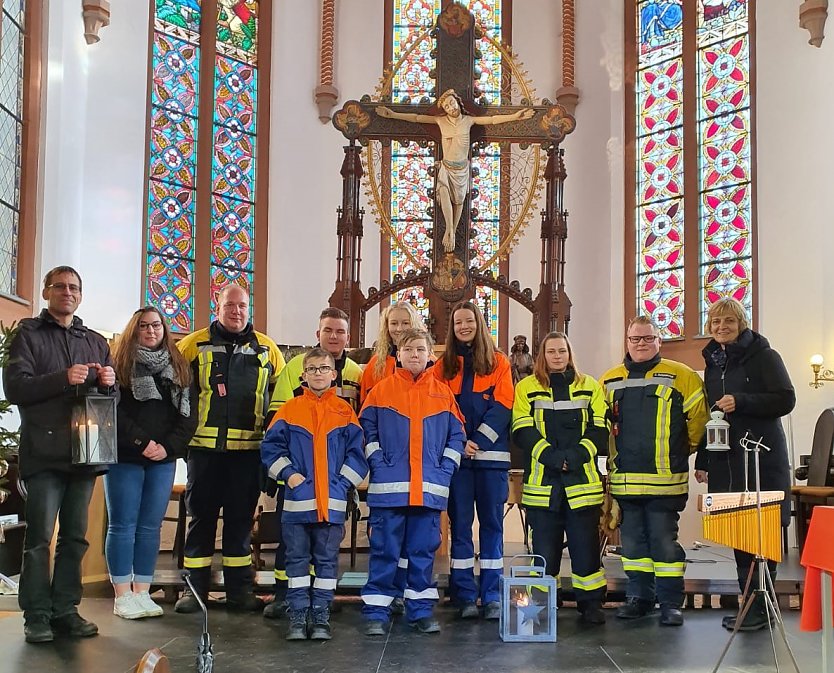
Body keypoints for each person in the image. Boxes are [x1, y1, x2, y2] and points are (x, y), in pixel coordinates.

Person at [4, 266, 117, 643]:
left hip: (85, 452)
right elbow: (15, 387)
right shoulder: (28, 335)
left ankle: (66, 610)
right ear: (45, 292)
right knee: (38, 538)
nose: (67, 292)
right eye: (60, 286)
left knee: (75, 537)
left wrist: (109, 384)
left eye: (74, 288)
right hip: (44, 452)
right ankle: (36, 615)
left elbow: (110, 401)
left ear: (80, 296)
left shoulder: (95, 341)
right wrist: (61, 378)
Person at [174, 284, 285, 614]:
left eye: (242, 306)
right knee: (201, 520)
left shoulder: (267, 348)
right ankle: (194, 592)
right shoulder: (191, 346)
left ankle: (239, 591)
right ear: (217, 307)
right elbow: (177, 397)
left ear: (248, 309)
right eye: (230, 305)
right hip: (204, 451)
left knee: (239, 523)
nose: (236, 311)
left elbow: (279, 401)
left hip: (247, 452)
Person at [599, 316, 708, 627]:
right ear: (627, 342)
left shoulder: (682, 376)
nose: (641, 344)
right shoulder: (608, 380)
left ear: (660, 341)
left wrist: (683, 452)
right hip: (626, 482)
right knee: (632, 546)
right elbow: (599, 427)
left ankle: (671, 602)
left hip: (666, 481)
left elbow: (699, 422)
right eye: (635, 339)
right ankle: (639, 598)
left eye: (648, 338)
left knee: (663, 543)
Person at [694, 298, 795, 632]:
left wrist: (743, 400)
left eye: (729, 322)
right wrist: (705, 457)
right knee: (740, 534)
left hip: (761, 459)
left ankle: (761, 608)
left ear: (742, 323)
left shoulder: (765, 356)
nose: (722, 327)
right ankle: (750, 605)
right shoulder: (713, 361)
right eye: (716, 322)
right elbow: (713, 413)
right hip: (728, 461)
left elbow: (785, 398)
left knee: (761, 534)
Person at [360, 328, 465, 635]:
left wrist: (445, 469)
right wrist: (379, 462)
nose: (415, 355)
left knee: (421, 554)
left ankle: (419, 611)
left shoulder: (442, 393)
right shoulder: (381, 390)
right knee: (384, 552)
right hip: (389, 491)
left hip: (429, 490)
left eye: (420, 349)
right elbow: (367, 431)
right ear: (398, 355)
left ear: (429, 355)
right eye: (409, 350)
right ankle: (377, 613)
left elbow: (457, 436)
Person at [260, 348, 368, 641]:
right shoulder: (289, 410)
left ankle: (320, 614)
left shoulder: (345, 412)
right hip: (297, 505)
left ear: (334, 374)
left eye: (324, 368)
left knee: (326, 562)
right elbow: (270, 449)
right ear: (302, 375)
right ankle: (297, 616)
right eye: (312, 369)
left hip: (332, 505)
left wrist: (342, 483)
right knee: (295, 562)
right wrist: (290, 476)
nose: (318, 373)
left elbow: (358, 455)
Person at [105, 306, 198, 619]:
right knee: (123, 525)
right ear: (135, 330)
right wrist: (143, 444)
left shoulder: (179, 367)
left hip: (163, 458)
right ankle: (122, 594)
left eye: (156, 325)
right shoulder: (119, 365)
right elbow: (115, 413)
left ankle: (142, 592)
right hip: (126, 456)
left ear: (164, 329)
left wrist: (168, 447)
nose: (150, 331)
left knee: (149, 527)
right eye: (144, 326)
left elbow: (188, 417)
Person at [512, 332, 609, 624]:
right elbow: (521, 429)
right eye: (551, 351)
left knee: (586, 551)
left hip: (583, 485)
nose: (557, 356)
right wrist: (551, 456)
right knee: (544, 552)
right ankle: (538, 608)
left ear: (570, 353)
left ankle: (590, 604)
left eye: (562, 351)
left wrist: (576, 456)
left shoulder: (589, 385)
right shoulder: (526, 387)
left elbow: (600, 428)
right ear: (542, 355)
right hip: (543, 487)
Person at [377, 89, 535, 252]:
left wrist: (516, 116)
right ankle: (449, 230)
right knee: (444, 191)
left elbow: (493, 120)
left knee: (459, 200)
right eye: (446, 106)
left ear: (458, 102)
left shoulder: (468, 120)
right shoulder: (440, 121)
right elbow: (417, 118)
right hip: (446, 166)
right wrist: (392, 114)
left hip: (462, 169)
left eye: (451, 103)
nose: (450, 107)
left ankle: (452, 229)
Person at [432, 301, 513, 620]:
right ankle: (464, 594)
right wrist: (458, 440)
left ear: (480, 323)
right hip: (459, 463)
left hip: (491, 460)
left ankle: (491, 594)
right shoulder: (443, 366)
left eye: (469, 321)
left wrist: (476, 440)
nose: (464, 326)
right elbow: (438, 406)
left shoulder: (499, 362)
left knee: (492, 527)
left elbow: (503, 405)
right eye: (457, 323)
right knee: (461, 527)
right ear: (452, 329)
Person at [359, 300, 426, 405]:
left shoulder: (427, 361)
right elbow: (365, 402)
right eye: (394, 323)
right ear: (387, 326)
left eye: (405, 323)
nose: (399, 329)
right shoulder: (376, 364)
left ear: (414, 324)